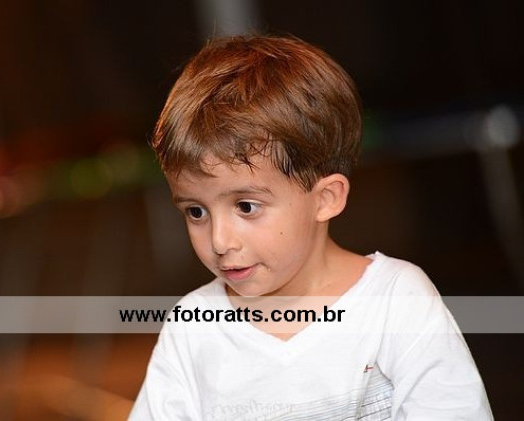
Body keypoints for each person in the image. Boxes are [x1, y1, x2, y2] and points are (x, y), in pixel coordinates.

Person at [129, 35, 492, 420]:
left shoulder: (395, 301)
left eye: (246, 207)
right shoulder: (192, 328)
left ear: (325, 199)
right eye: (196, 212)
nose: (219, 240)